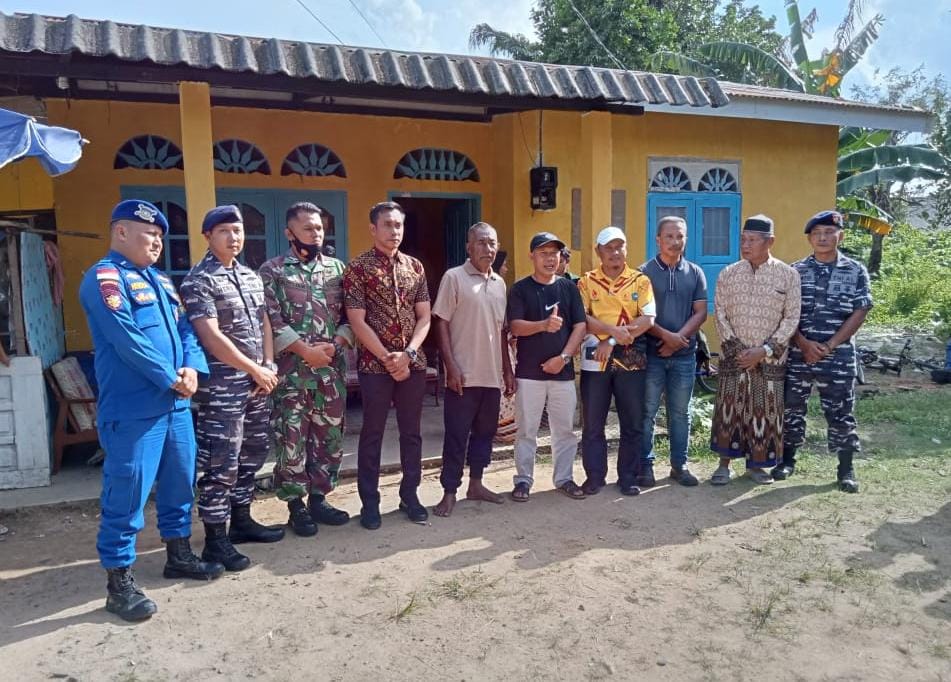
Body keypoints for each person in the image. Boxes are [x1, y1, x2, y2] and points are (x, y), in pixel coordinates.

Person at [78, 200, 222, 622]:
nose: (158, 242)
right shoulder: (104, 278)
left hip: (176, 405)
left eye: (161, 235)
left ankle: (178, 554)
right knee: (127, 494)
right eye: (149, 235)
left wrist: (193, 369)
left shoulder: (160, 281)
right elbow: (125, 338)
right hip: (134, 410)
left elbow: (185, 331)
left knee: (180, 483)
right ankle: (119, 582)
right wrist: (169, 375)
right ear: (120, 233)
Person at [180, 205, 284, 573]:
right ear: (207, 236)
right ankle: (215, 540)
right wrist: (255, 369)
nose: (233, 237)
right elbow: (210, 336)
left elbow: (265, 323)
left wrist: (268, 365)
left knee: (254, 452)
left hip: (258, 384)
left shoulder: (251, 277)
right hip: (223, 388)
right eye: (224, 230)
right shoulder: (199, 280)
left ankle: (241, 520)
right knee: (221, 460)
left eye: (237, 231)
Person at [259, 202, 355, 537]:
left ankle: (319, 498)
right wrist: (304, 351)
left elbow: (350, 317)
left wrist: (338, 344)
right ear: (289, 233)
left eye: (319, 228)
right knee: (292, 438)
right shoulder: (272, 271)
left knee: (328, 437)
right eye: (308, 229)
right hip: (292, 374)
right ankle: (295, 506)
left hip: (330, 372)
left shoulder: (338, 269)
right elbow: (271, 319)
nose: (316, 234)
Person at [344, 201, 432, 530]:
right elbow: (356, 320)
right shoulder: (358, 268)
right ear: (373, 229)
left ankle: (411, 495)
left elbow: (424, 317)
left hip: (412, 363)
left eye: (399, 225)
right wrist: (387, 358)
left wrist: (408, 354)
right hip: (374, 365)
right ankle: (370, 502)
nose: (394, 231)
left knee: (411, 434)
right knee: (372, 434)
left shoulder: (415, 267)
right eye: (387, 225)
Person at [778, 210, 872, 493]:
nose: (823, 237)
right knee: (791, 408)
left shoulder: (856, 270)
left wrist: (830, 345)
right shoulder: (795, 271)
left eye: (829, 232)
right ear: (809, 238)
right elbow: (785, 313)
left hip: (839, 355)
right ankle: (787, 460)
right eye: (817, 233)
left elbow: (861, 309)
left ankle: (846, 469)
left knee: (841, 410)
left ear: (840, 236)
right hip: (799, 352)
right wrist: (804, 344)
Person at [710, 215, 801, 485]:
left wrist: (764, 350)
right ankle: (723, 465)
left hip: (769, 360)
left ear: (769, 241)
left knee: (765, 412)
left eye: (752, 240)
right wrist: (739, 349)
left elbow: (792, 318)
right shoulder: (728, 274)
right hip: (734, 356)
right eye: (743, 239)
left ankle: (758, 466)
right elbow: (720, 314)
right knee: (730, 410)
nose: (745, 245)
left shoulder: (788, 275)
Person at [432, 223, 515, 517]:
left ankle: (476, 484)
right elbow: (440, 321)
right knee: (456, 435)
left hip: (491, 376)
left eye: (492, 243)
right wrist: (450, 366)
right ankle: (449, 492)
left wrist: (507, 371)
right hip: (463, 377)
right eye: (481, 243)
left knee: (485, 433)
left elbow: (502, 331)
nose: (487, 249)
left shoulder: (500, 284)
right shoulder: (454, 278)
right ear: (469, 247)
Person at [507, 231, 587, 501]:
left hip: (562, 373)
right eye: (543, 253)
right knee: (527, 430)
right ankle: (523, 480)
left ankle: (564, 478)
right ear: (532, 256)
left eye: (554, 253)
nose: (550, 259)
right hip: (529, 373)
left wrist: (563, 358)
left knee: (564, 430)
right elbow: (515, 326)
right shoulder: (520, 289)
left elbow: (580, 326)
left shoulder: (568, 288)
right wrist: (543, 325)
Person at [577, 226, 656, 496]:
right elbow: (582, 317)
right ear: (598, 252)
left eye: (619, 246)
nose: (615, 252)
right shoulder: (586, 282)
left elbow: (648, 319)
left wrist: (611, 340)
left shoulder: (640, 281)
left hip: (629, 356)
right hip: (595, 356)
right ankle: (595, 477)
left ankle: (628, 477)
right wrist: (611, 333)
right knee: (593, 422)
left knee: (632, 421)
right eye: (609, 248)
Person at [639, 216, 708, 487]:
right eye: (669, 236)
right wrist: (666, 338)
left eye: (679, 236)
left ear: (685, 239)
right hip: (652, 356)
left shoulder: (695, 272)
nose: (674, 242)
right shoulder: (643, 273)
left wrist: (678, 339)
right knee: (647, 412)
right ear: (658, 239)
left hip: (684, 356)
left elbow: (700, 312)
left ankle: (679, 465)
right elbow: (641, 314)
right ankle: (646, 465)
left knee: (680, 413)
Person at [492, 250, 518, 445]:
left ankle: (503, 430)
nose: (507, 268)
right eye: (504, 265)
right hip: (497, 350)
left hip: (505, 346)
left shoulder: (500, 287)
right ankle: (501, 430)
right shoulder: (496, 289)